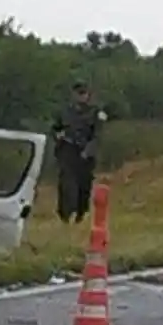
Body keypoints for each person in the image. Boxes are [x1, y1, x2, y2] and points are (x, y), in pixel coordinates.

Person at [51, 79, 107, 223]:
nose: (81, 96)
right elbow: (55, 128)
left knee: (83, 185)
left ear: (88, 95)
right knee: (66, 183)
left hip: (85, 154)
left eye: (84, 93)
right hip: (68, 150)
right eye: (78, 93)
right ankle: (65, 214)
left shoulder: (96, 113)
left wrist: (88, 151)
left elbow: (98, 135)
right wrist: (57, 135)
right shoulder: (65, 111)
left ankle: (80, 215)